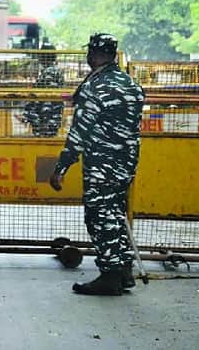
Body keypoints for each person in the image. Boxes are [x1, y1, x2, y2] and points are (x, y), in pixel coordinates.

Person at [49, 33, 145, 296]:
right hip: (126, 162)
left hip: (102, 163)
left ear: (92, 54)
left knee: (99, 216)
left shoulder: (96, 87)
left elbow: (80, 132)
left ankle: (110, 276)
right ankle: (124, 270)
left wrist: (62, 167)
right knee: (115, 213)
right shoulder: (131, 84)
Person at [21, 42, 65, 137]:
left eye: (41, 55)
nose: (39, 58)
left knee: (45, 142)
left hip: (46, 119)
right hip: (48, 118)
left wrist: (44, 120)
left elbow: (48, 98)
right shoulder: (51, 71)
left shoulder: (50, 72)